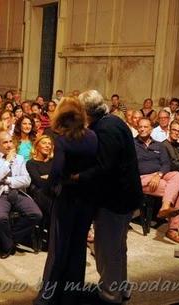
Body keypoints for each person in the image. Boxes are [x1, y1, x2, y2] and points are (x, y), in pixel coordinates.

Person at [72, 90, 143, 304]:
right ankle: (122, 289)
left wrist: (77, 176)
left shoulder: (106, 129)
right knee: (118, 248)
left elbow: (105, 167)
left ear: (87, 112)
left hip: (115, 200)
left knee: (107, 249)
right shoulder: (113, 121)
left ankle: (109, 295)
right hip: (125, 196)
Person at [34, 97, 98, 305]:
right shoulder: (92, 136)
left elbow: (57, 171)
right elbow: (96, 167)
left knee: (58, 247)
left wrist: (49, 189)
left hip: (67, 199)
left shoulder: (62, 139)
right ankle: (72, 293)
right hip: (87, 198)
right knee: (78, 247)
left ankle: (49, 295)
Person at [0, 131, 42, 258]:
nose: (9, 145)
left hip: (16, 192)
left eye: (10, 141)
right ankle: (8, 245)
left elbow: (26, 180)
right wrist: (7, 162)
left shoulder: (19, 158)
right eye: (5, 142)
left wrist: (9, 180)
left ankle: (10, 239)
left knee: (36, 214)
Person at [135, 118, 179, 244]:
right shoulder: (131, 144)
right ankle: (173, 229)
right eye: (140, 126)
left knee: (177, 175)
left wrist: (158, 174)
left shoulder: (159, 145)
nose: (142, 129)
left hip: (159, 175)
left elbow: (166, 164)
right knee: (175, 190)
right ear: (137, 128)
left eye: (145, 127)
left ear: (151, 128)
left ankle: (165, 206)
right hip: (142, 178)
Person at [26, 135, 54, 234]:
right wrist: (51, 177)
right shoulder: (31, 163)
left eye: (49, 144)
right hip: (39, 195)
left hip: (53, 192)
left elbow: (59, 179)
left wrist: (47, 177)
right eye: (44, 143)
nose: (47, 146)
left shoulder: (53, 162)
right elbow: (38, 182)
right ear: (37, 146)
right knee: (42, 193)